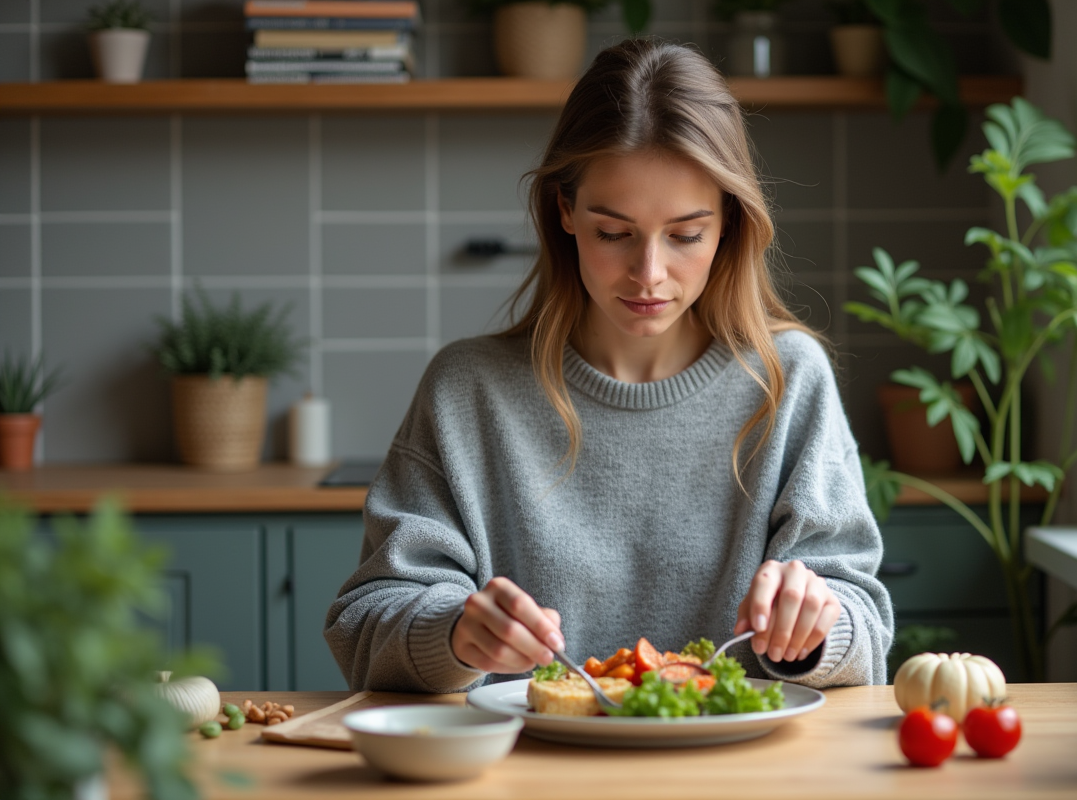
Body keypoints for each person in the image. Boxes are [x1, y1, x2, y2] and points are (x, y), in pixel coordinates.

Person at [324, 38, 893, 694]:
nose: (648, 274)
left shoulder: (788, 380)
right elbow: (363, 624)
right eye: (613, 233)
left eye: (686, 235)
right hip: (525, 758)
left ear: (729, 224)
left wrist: (818, 626)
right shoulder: (467, 391)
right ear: (564, 210)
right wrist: (451, 633)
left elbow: (864, 627)